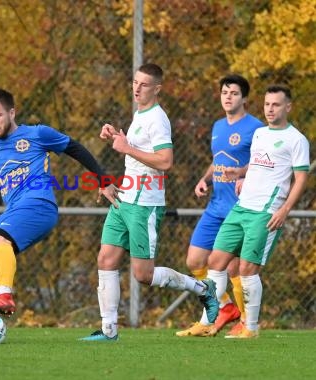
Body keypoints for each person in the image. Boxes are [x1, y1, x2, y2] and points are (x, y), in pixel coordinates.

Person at [0, 88, 119, 330]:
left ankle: (4, 294)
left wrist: (103, 180)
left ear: (12, 112)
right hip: (14, 211)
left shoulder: (37, 134)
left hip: (39, 206)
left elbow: (75, 148)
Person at [80, 63, 219, 342]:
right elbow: (137, 156)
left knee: (143, 274)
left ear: (157, 89)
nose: (137, 88)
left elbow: (165, 161)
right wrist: (118, 138)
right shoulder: (139, 115)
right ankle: (108, 331)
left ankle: (203, 288)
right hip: (124, 197)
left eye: (144, 84)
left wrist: (127, 147)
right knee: (105, 259)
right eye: (135, 82)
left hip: (145, 205)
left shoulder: (158, 118)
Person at [201, 85, 310, 338]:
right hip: (241, 207)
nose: (270, 109)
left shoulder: (297, 139)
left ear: (288, 107)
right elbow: (257, 164)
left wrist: (284, 210)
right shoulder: (260, 133)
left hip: (265, 212)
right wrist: (239, 173)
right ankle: (208, 320)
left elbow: (301, 179)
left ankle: (250, 328)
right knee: (215, 262)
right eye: (267, 104)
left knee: (247, 270)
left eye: (276, 105)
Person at [176, 74, 264, 338]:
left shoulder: (256, 128)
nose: (228, 97)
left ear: (245, 99)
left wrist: (241, 173)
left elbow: (262, 162)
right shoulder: (217, 126)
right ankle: (225, 306)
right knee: (194, 260)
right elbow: (218, 161)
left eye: (234, 93)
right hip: (216, 206)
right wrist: (204, 179)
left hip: (241, 207)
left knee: (235, 268)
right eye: (225, 92)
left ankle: (247, 322)